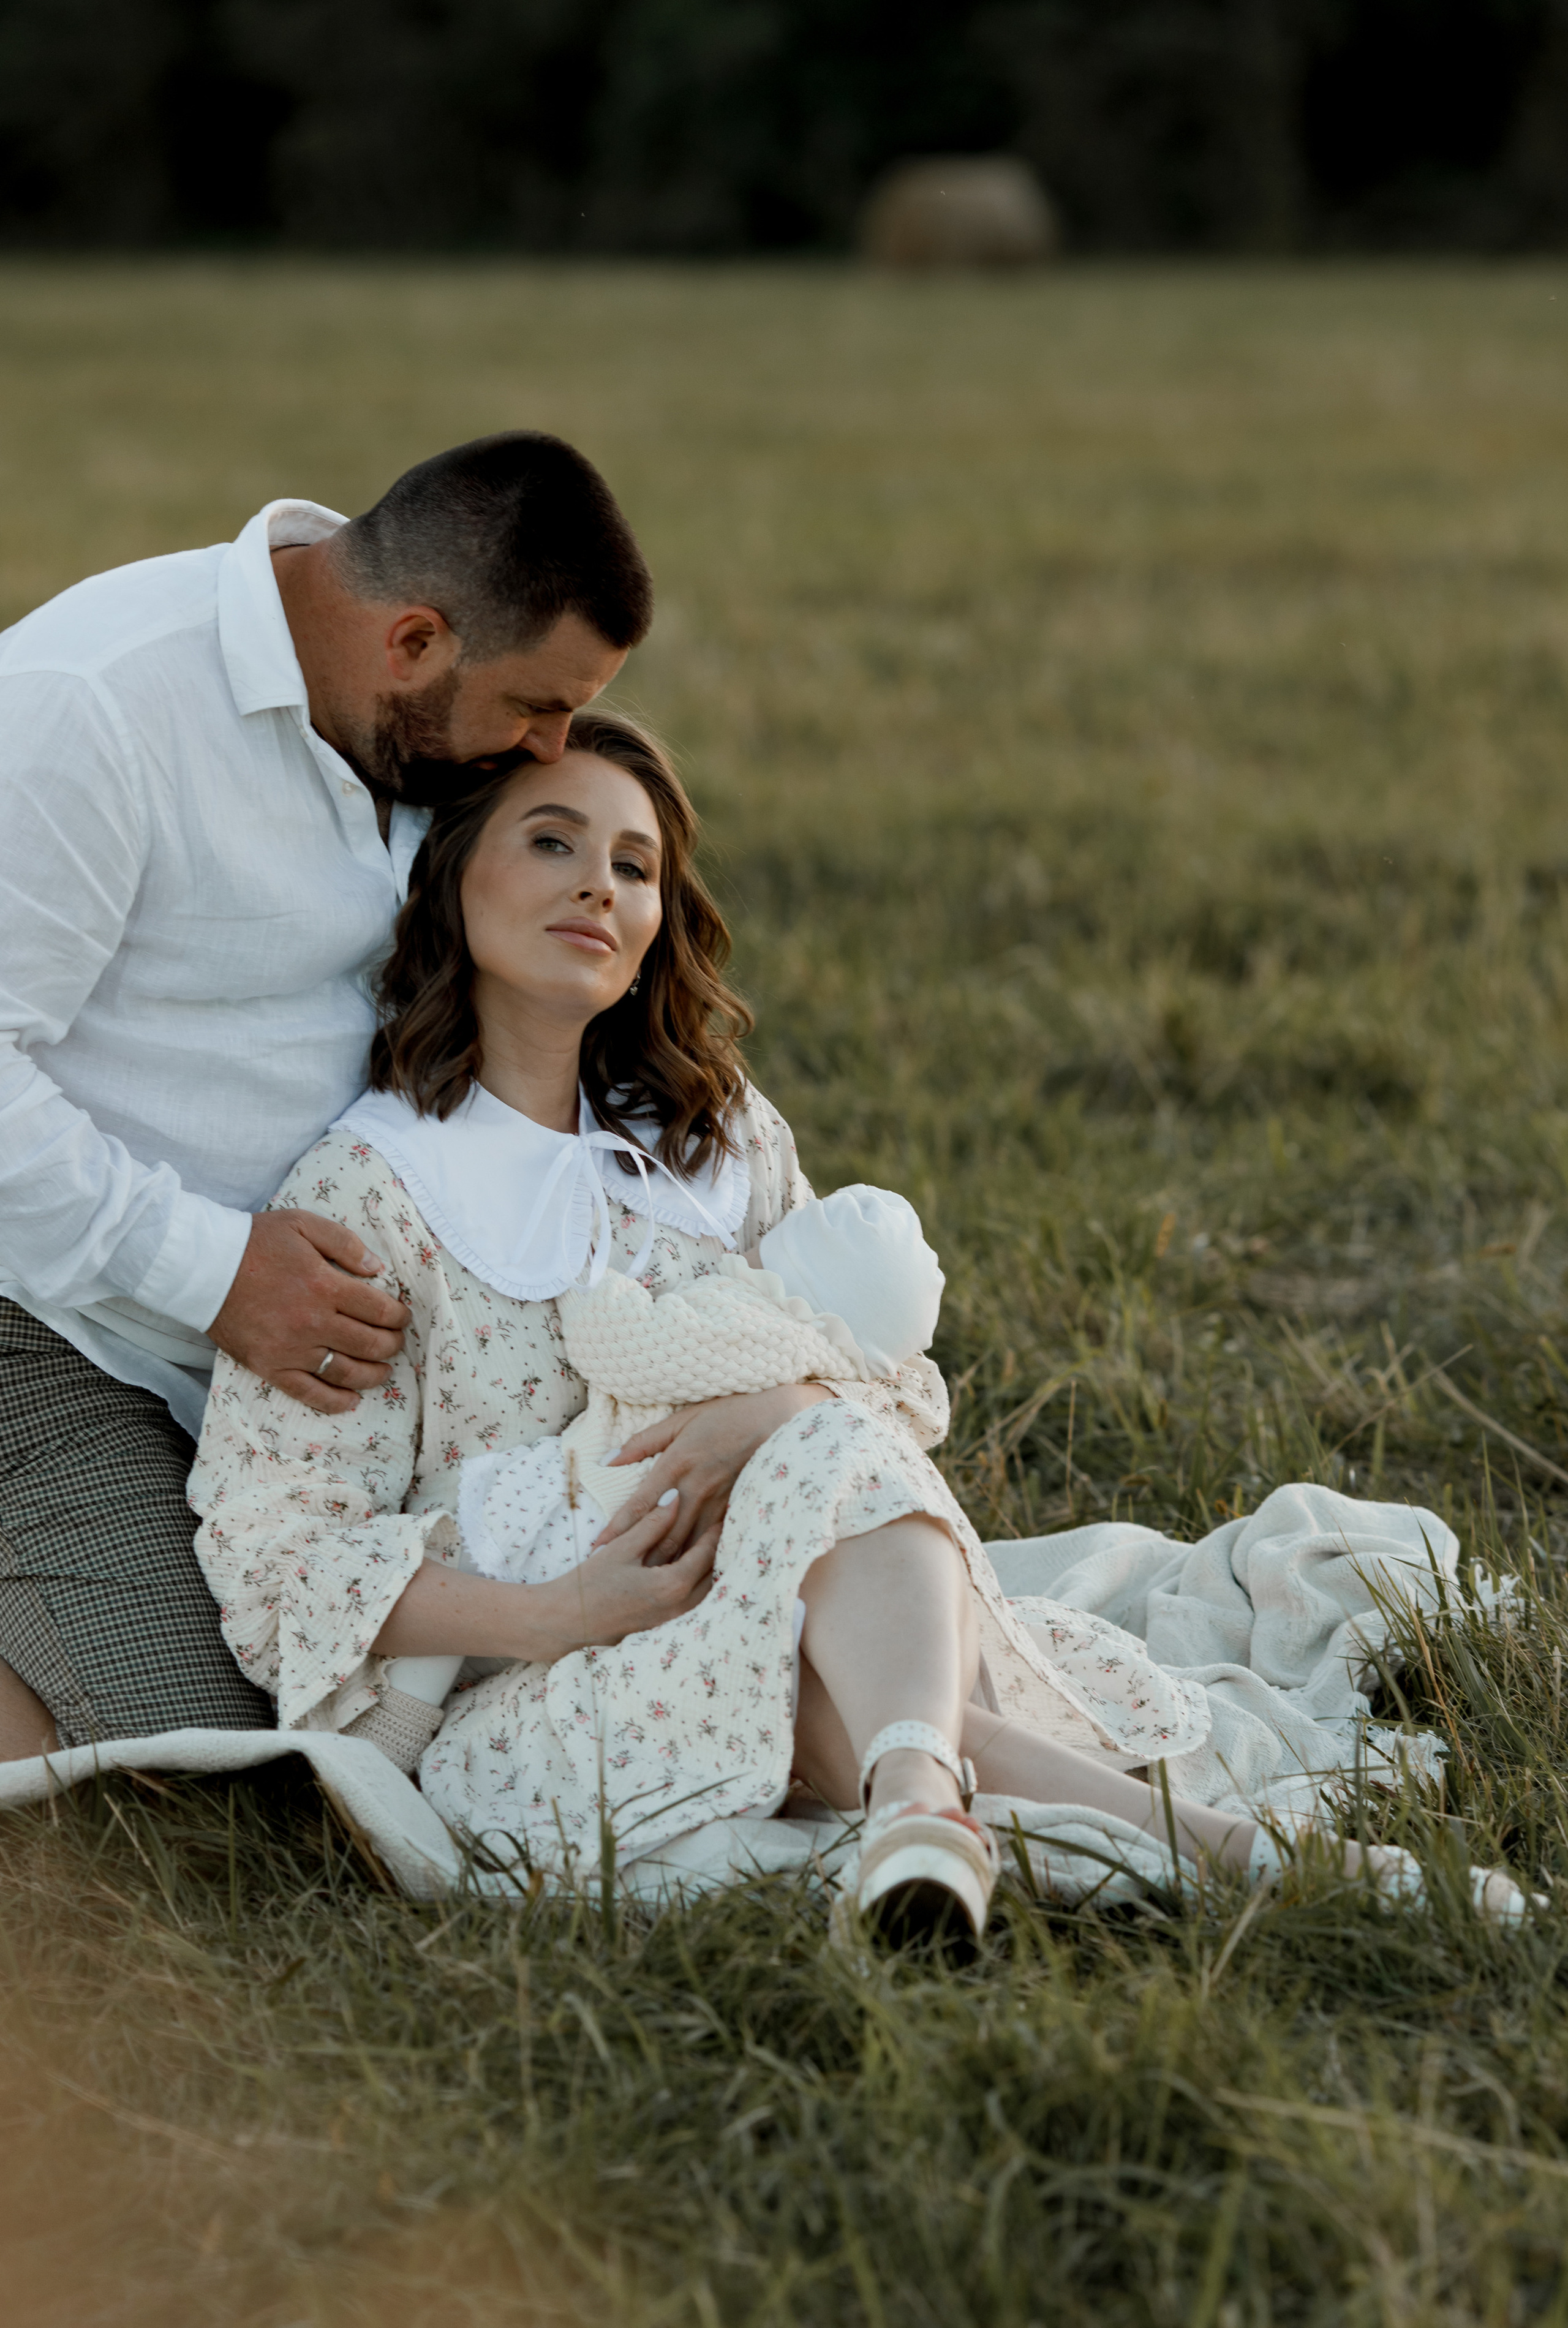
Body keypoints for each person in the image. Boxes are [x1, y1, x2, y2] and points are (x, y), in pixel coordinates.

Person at [187, 709, 1534, 1945]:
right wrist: (558, 1610)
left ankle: (924, 1804)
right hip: (534, 1682)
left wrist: (772, 1412)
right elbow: (277, 1551)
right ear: (453, 877)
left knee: (825, 1454)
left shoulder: (716, 1142)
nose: (602, 883)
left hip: (816, 1586)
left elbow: (881, 1399)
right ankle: (1223, 1850)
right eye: (553, 841)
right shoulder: (365, 1193)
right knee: (822, 1637)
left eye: (636, 864)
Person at [0, 432, 649, 1759]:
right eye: (534, 704)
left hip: (314, 1366)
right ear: (412, 641)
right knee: (184, 1752)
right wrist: (220, 1270)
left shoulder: (425, 743)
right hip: (55, 1314)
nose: (552, 744)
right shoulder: (94, 704)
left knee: (359, 1688)